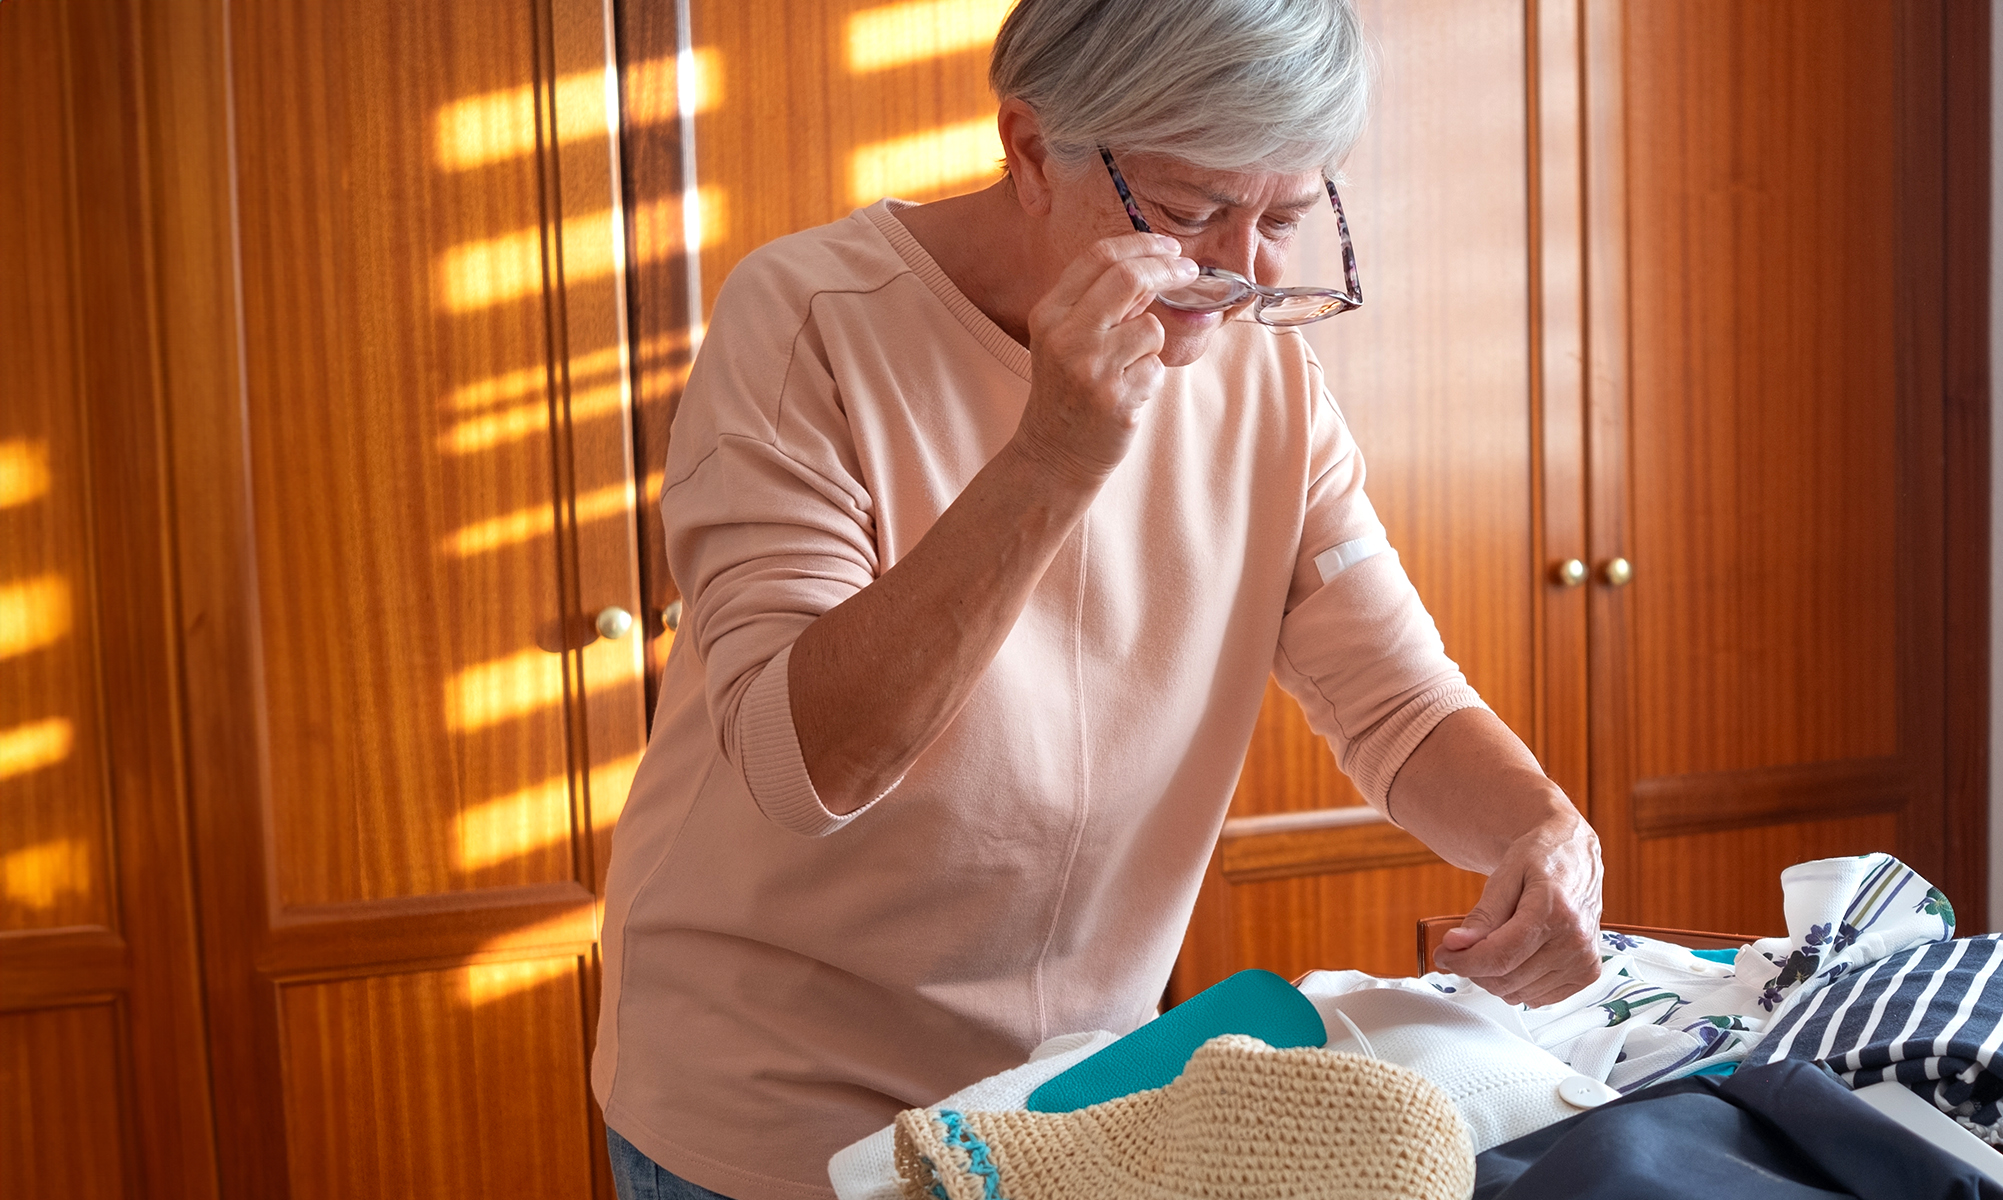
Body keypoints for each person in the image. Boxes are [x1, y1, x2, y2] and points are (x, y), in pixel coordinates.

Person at [592, 2, 1606, 1196]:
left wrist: (1541, 830)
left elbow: (1398, 700)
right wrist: (1054, 455)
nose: (1240, 268)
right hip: (773, 1117)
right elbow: (805, 765)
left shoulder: (1265, 370)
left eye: (1284, 215)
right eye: (1187, 211)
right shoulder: (807, 324)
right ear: (1030, 150)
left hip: (1076, 1100)